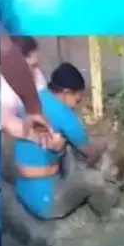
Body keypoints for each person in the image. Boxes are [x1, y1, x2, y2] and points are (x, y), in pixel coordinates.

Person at [13, 63, 107, 220]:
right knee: (95, 180)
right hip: (47, 203)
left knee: (66, 145)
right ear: (66, 92)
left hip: (23, 190)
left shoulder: (35, 99)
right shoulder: (65, 116)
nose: (77, 106)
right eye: (77, 100)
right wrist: (103, 145)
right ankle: (108, 216)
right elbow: (90, 153)